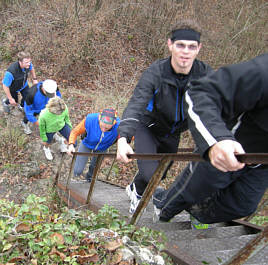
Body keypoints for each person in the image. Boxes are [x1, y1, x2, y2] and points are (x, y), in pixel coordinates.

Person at [153, 53, 268, 225]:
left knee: (243, 205)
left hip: (261, 164)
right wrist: (215, 140)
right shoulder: (263, 72)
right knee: (190, 190)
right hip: (228, 147)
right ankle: (162, 210)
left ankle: (199, 215)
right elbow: (200, 92)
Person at [116, 19, 212, 214]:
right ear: (170, 45)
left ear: (199, 48)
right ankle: (138, 195)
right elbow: (136, 103)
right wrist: (123, 138)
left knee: (162, 173)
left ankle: (135, 187)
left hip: (174, 132)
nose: (186, 51)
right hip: (148, 127)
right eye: (180, 45)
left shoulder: (205, 74)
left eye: (191, 46)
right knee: (151, 173)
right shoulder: (155, 73)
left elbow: (218, 106)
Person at [67, 108, 120, 182]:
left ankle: (89, 179)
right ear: (99, 120)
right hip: (87, 143)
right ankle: (75, 178)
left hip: (103, 147)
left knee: (94, 168)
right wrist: (71, 144)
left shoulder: (119, 127)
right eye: (102, 126)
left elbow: (130, 137)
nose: (104, 129)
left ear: (113, 124)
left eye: (107, 128)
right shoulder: (90, 120)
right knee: (78, 170)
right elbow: (75, 132)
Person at [39, 96, 72, 161]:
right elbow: (42, 129)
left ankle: (63, 143)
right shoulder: (43, 115)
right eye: (58, 113)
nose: (60, 114)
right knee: (47, 141)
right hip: (49, 130)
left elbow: (67, 118)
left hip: (61, 125)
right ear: (51, 109)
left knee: (70, 138)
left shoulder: (63, 107)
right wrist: (44, 138)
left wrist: (69, 127)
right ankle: (46, 148)